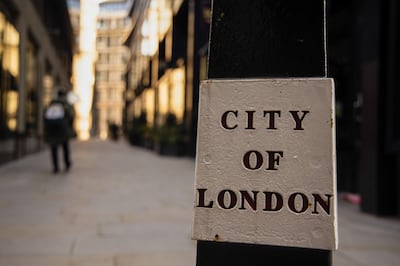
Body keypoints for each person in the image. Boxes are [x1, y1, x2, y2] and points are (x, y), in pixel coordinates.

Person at [43, 88, 75, 173]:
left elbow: (45, 116)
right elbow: (71, 116)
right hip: (63, 130)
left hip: (52, 130)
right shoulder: (66, 105)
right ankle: (67, 164)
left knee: (54, 148)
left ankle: (55, 167)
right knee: (65, 147)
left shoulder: (52, 104)